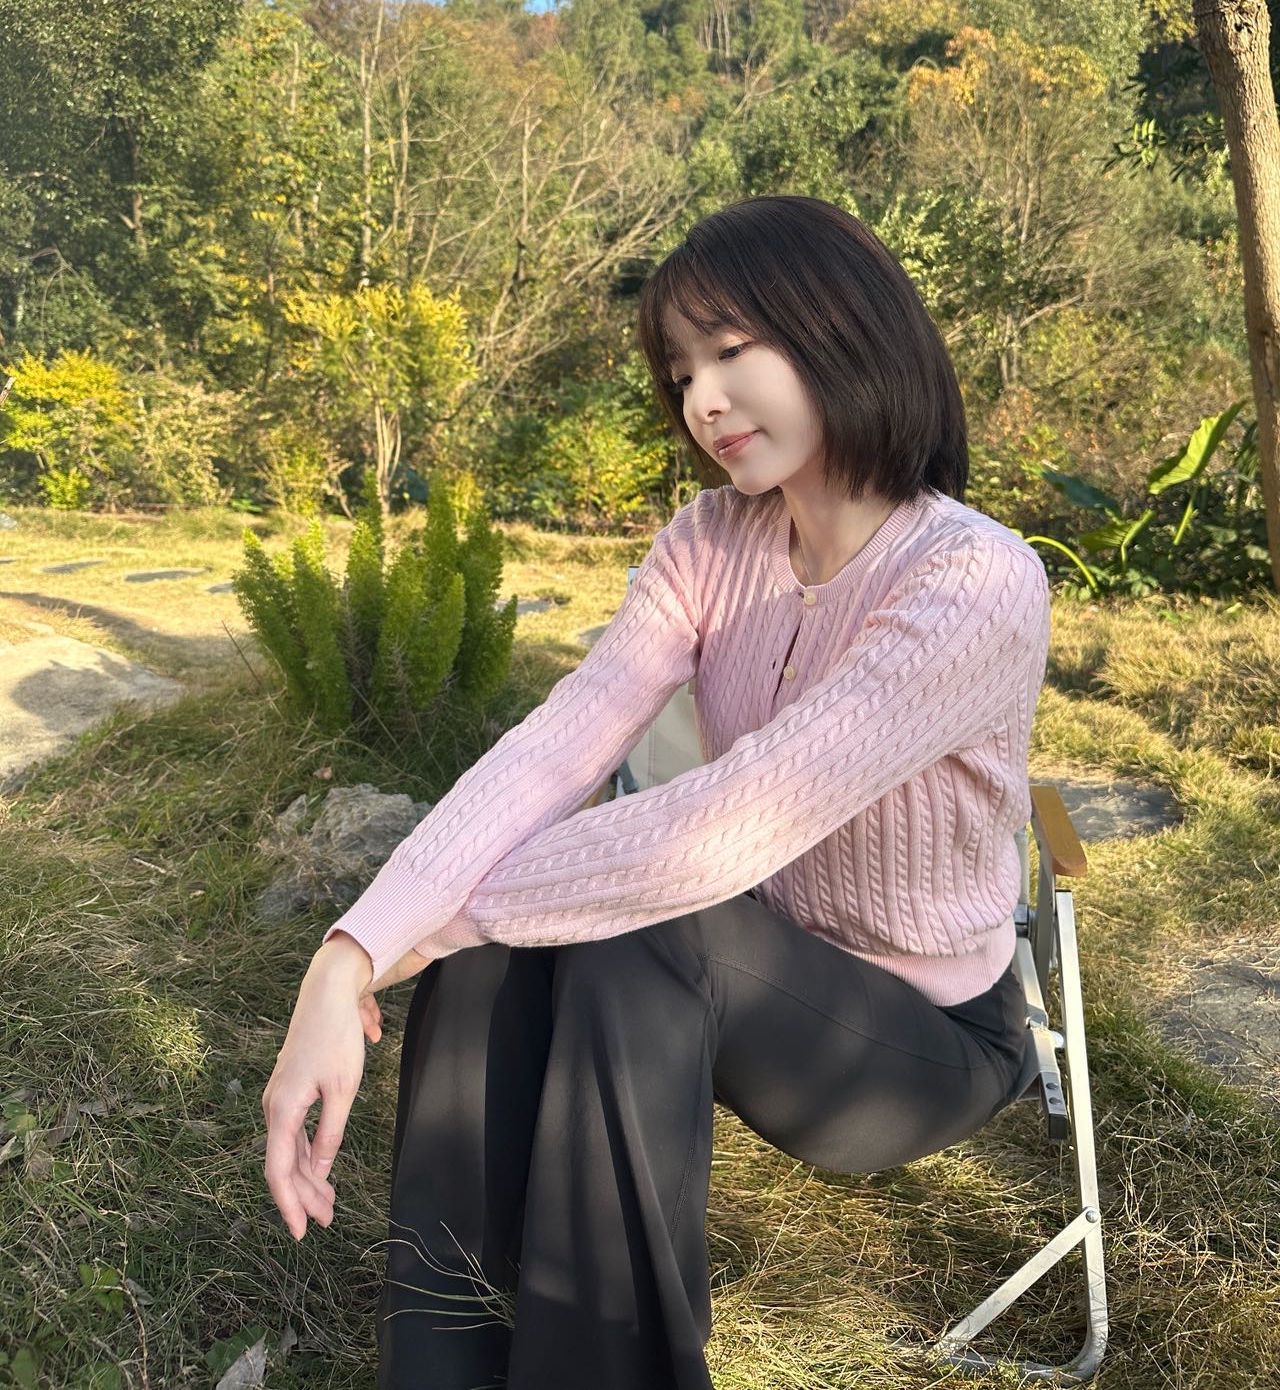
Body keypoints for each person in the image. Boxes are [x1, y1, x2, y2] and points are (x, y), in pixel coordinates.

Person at [261, 194, 1052, 1390]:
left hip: (922, 1039)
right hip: (751, 958)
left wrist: (414, 934)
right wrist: (352, 951)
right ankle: (440, 1362)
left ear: (845, 324)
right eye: (680, 374)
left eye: (729, 351)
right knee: (508, 946)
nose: (701, 402)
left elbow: (727, 825)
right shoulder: (708, 541)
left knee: (627, 927)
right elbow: (559, 744)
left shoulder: (971, 580)